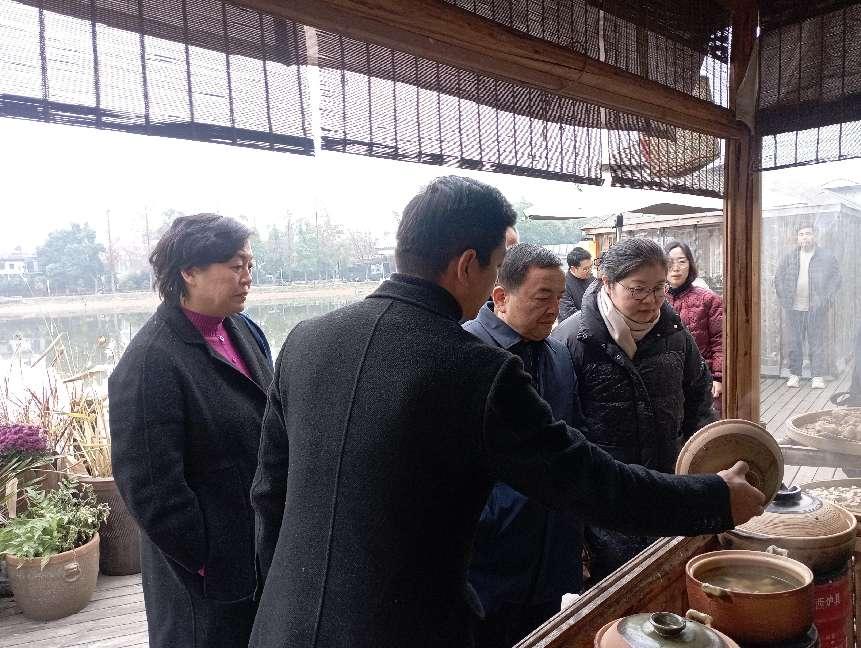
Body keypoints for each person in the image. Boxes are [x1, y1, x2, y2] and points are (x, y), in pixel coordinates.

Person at [249, 175, 764, 648]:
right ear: (467, 265)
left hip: (281, 625)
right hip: (404, 628)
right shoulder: (474, 368)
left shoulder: (305, 340)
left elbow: (269, 494)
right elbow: (587, 480)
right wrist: (715, 496)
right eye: (497, 265)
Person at [109, 214, 273, 648]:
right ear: (190, 271)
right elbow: (149, 488)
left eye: (250, 265)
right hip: (205, 578)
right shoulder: (151, 361)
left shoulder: (242, 329)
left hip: (256, 550)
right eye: (235, 266)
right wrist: (206, 558)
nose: (247, 277)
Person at [552, 238, 717, 584]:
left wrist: (703, 466)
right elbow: (562, 434)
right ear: (607, 283)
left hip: (669, 486)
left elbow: (699, 400)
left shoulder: (675, 332)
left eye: (659, 288)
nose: (651, 300)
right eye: (638, 289)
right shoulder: (572, 339)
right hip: (605, 504)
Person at [464, 243, 587, 648]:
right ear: (501, 297)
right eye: (542, 297)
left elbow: (576, 440)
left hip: (552, 556)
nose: (554, 310)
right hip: (486, 564)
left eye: (559, 297)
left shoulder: (558, 354)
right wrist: (496, 516)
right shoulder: (464, 355)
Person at [774, 223, 841, 389]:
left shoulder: (826, 256)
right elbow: (778, 278)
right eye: (802, 234)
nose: (805, 237)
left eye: (808, 233)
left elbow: (836, 279)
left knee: (816, 342)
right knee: (794, 343)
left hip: (816, 309)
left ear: (815, 236)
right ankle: (794, 375)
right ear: (798, 238)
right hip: (794, 309)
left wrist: (825, 299)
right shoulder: (790, 257)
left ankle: (817, 377)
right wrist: (785, 298)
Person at [665, 240, 724, 407]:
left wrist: (718, 377)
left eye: (682, 261)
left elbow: (720, 341)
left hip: (700, 379)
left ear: (690, 265)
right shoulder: (655, 299)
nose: (676, 268)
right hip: (665, 380)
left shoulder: (709, 300)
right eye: (670, 262)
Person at [558, 246, 596, 323]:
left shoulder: (592, 279)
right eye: (585, 269)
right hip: (572, 325)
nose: (589, 271)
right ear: (573, 269)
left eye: (590, 267)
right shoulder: (562, 284)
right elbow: (568, 313)